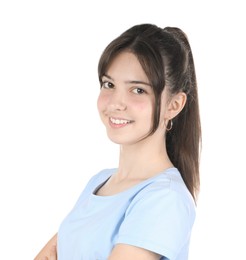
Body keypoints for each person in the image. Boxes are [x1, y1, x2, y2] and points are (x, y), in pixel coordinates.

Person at [35, 23, 201, 260]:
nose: (115, 103)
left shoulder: (165, 198)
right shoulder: (100, 181)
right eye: (109, 85)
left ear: (173, 106)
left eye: (138, 90)